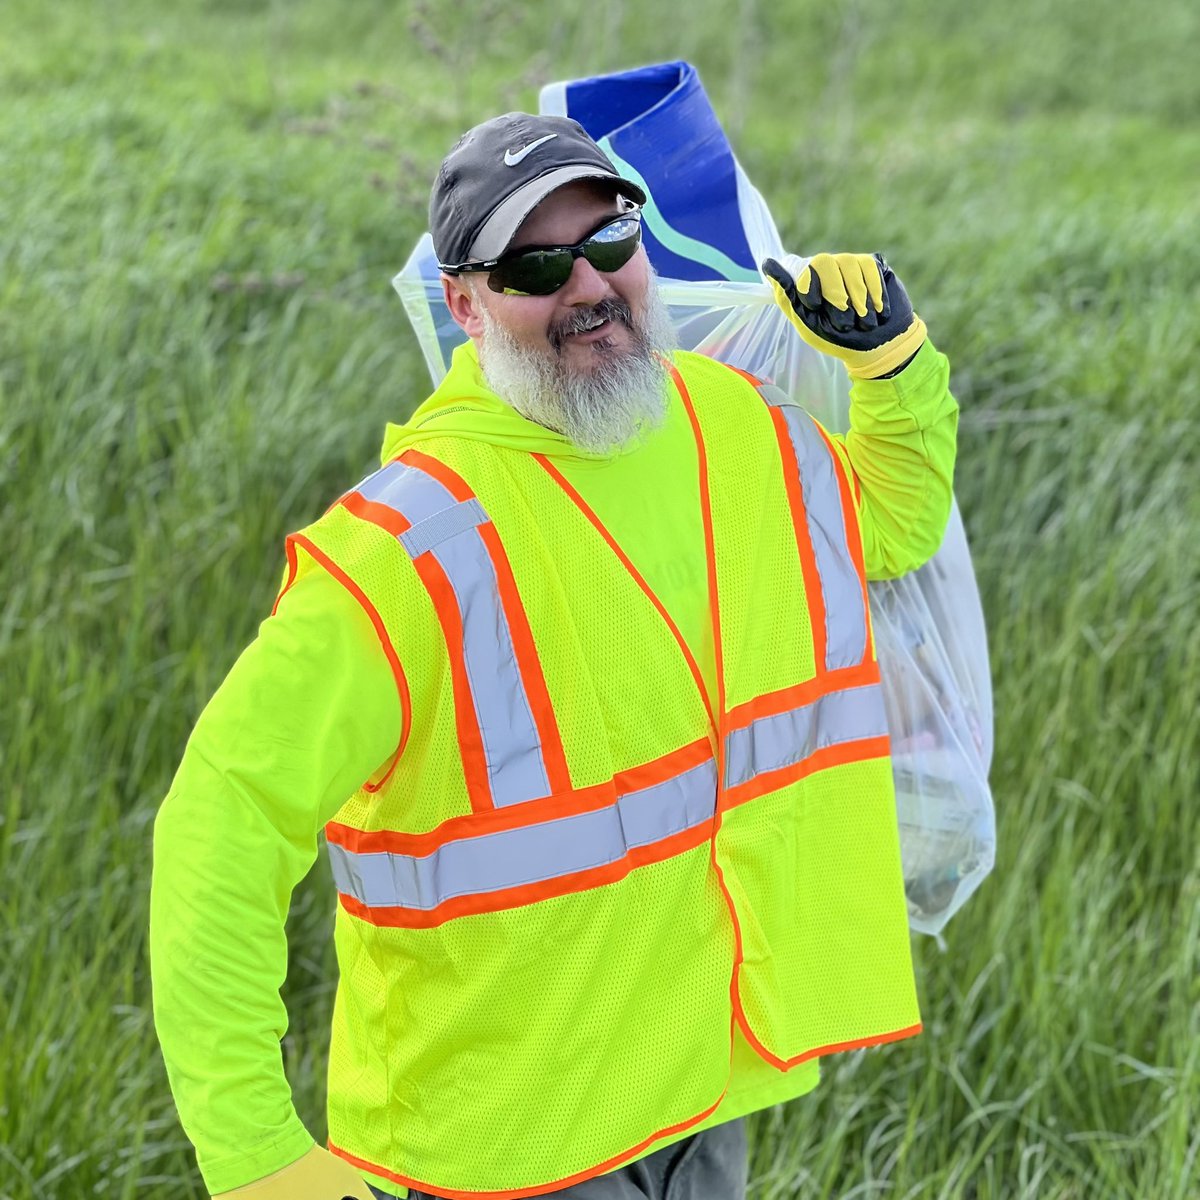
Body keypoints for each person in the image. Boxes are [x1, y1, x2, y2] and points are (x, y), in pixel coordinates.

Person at [150, 112, 959, 1200]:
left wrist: (893, 370)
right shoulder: (409, 548)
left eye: (608, 241)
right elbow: (220, 825)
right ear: (465, 304)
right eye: (535, 263)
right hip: (502, 1148)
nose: (587, 285)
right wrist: (256, 1156)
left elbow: (884, 534)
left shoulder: (731, 420)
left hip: (702, 1093)